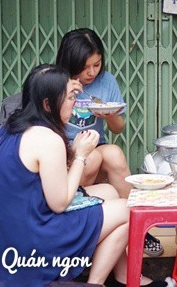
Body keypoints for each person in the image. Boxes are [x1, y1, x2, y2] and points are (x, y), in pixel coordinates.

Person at [0, 64, 163, 286]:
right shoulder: (47, 138)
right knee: (127, 209)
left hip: (10, 235)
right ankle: (95, 283)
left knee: (109, 191)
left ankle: (122, 275)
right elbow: (58, 203)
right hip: (34, 241)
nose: (75, 104)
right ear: (48, 104)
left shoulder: (10, 127)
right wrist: (80, 156)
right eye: (70, 97)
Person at [56, 28, 164, 257]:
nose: (92, 72)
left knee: (113, 152)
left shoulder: (106, 81)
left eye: (97, 64)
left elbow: (118, 128)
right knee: (93, 157)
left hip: (96, 145)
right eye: (85, 67)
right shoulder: (56, 81)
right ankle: (86, 223)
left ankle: (138, 228)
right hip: (65, 154)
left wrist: (110, 114)